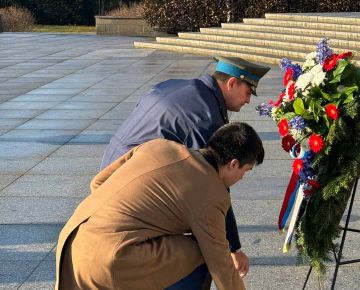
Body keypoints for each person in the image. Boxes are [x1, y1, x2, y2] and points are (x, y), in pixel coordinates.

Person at [100, 56, 270, 274]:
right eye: (248, 92)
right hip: (129, 190)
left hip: (111, 169)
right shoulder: (205, 118)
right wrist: (233, 248)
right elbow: (214, 187)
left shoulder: (177, 86)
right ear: (231, 83)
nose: (248, 100)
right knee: (201, 253)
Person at [55, 122, 264, 290]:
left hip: (72, 243)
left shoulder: (158, 145)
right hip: (110, 261)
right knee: (204, 253)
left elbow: (98, 183)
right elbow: (221, 264)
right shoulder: (213, 194)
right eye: (245, 171)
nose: (242, 177)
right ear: (233, 164)